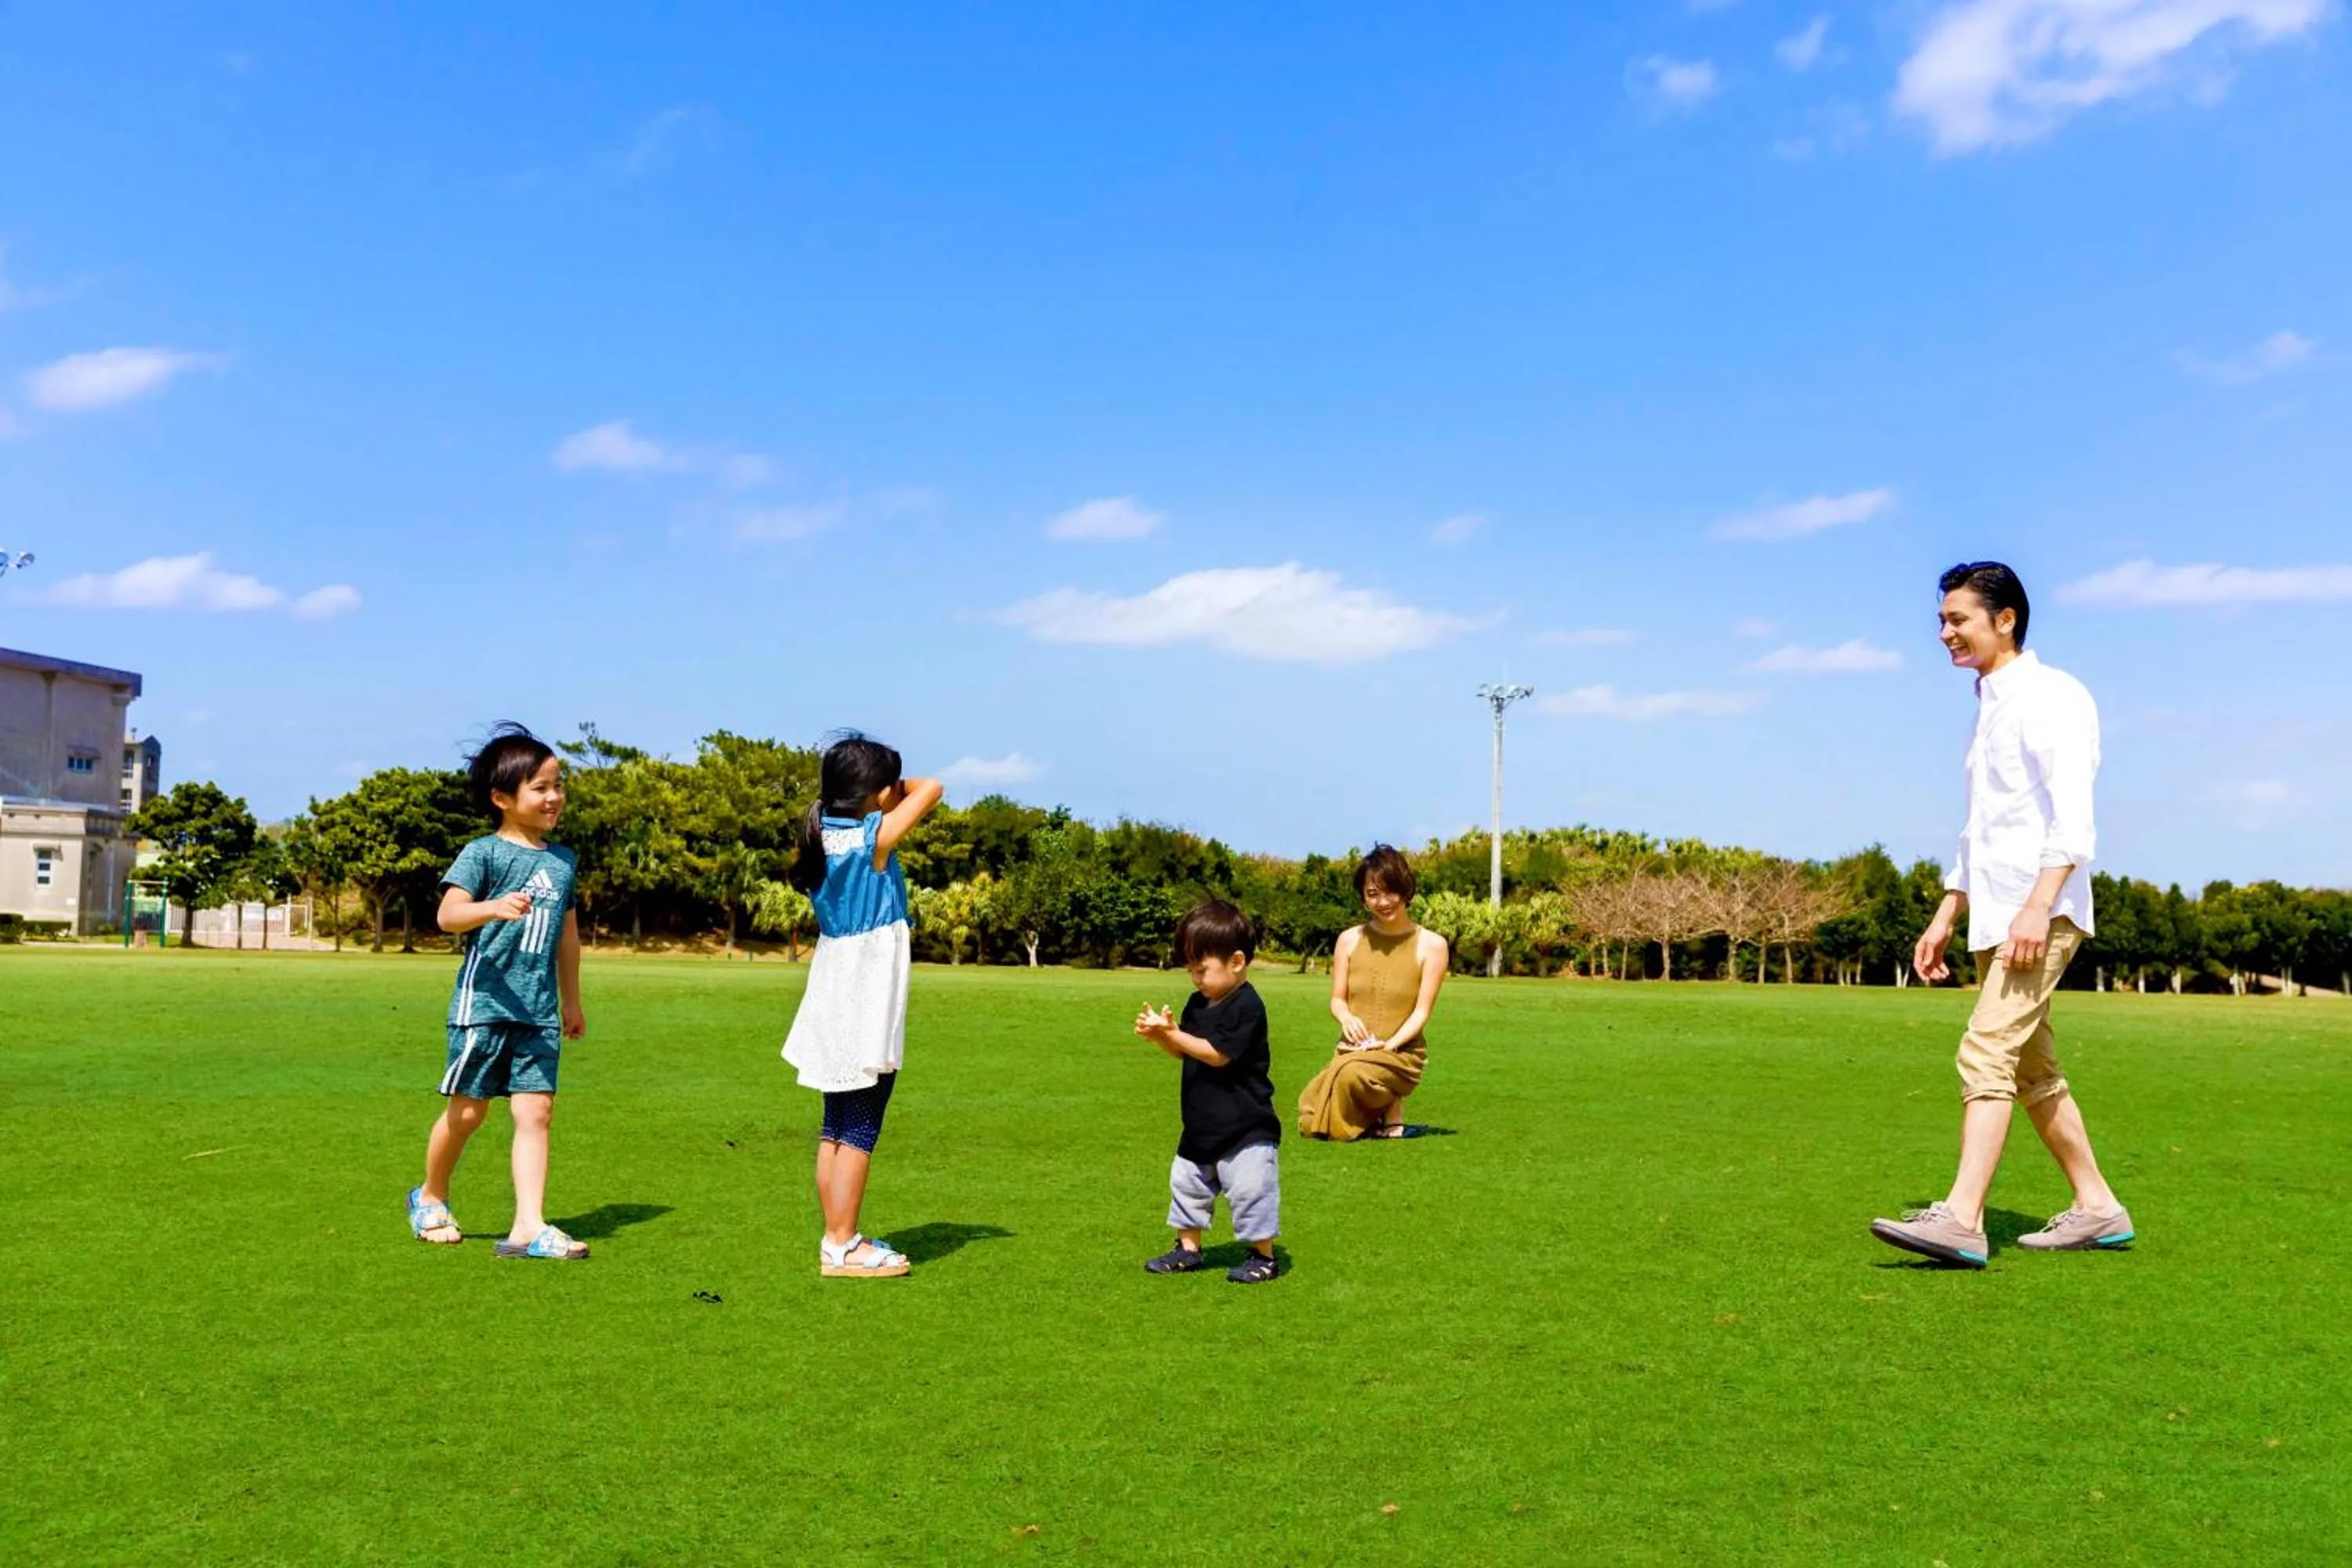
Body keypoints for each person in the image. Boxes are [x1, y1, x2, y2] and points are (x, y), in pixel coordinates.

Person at [1871, 562, 2136, 1269]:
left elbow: (2073, 823)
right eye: (1942, 620)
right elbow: (1980, 830)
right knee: (2031, 1071)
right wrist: (1945, 914)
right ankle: (2099, 1208)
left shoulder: (2054, 697)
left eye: (1958, 619)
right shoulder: (1986, 707)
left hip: (2039, 913)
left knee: (1985, 1052)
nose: (1945, 632)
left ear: (2006, 619)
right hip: (1997, 912)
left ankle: (1962, 1220)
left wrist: (2038, 908)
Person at [407, 723, 590, 1261]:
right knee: (469, 1113)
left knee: (536, 1113)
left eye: (558, 785)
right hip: (484, 1007)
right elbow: (448, 916)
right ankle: (430, 1196)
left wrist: (571, 1001)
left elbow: (568, 937)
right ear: (502, 798)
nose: (554, 797)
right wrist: (493, 907)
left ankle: (528, 1227)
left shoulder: (564, 861)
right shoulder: (482, 854)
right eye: (540, 787)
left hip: (538, 1011)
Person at [782, 732, 943, 1279]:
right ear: (876, 794)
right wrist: (895, 788)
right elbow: (933, 788)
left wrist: (876, 789)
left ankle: (837, 1236)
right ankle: (842, 1244)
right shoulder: (875, 837)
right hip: (865, 997)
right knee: (861, 1126)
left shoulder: (822, 835)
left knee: (837, 1123)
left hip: (834, 990)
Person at [1135, 900, 1283, 1284]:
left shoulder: (1247, 1006)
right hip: (1201, 1122)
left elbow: (1218, 1055)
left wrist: (1174, 1034)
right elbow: (1186, 1050)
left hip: (1246, 1126)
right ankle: (1187, 1249)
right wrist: (1162, 1037)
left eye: (1201, 970)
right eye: (1190, 970)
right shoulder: (1197, 1004)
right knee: (1187, 1185)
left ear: (1236, 961)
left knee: (1251, 1191)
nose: (1195, 979)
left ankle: (1263, 1255)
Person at [1297, 844, 1449, 1140]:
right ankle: (1379, 1112)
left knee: (1348, 1078)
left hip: (1400, 1054)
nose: (1383, 902)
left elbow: (1421, 1013)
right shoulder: (1348, 940)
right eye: (1373, 894)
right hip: (1352, 1050)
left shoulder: (1432, 945)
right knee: (1310, 1113)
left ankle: (1390, 1103)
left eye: (1391, 892)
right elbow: (1338, 999)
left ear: (1406, 890)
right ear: (1363, 898)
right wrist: (1346, 1018)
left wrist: (1388, 1046)